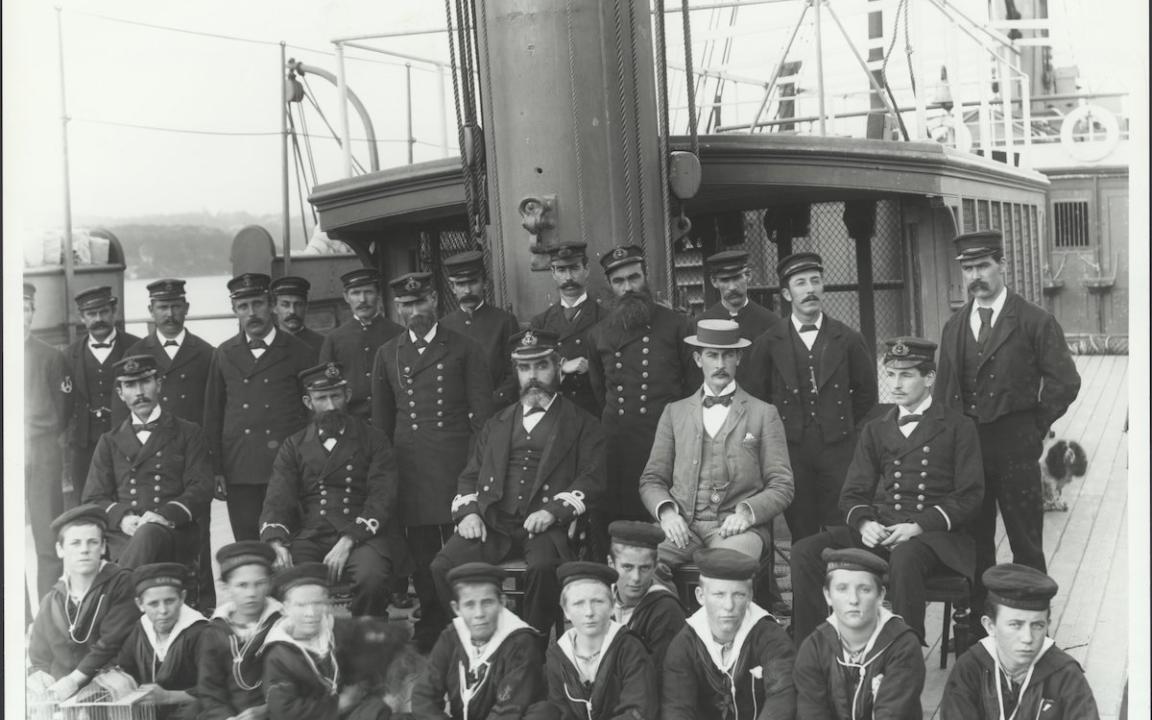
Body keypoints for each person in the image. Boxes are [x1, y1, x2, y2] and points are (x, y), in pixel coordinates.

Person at [789, 337, 984, 645]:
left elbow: (970, 495)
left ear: (929, 378)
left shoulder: (958, 427)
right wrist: (865, 525)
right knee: (804, 551)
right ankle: (811, 650)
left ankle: (903, 656)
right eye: (891, 374)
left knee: (905, 557)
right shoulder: (876, 429)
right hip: (883, 529)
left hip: (935, 537)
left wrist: (919, 526)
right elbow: (852, 493)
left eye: (906, 375)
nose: (896, 384)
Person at [933, 231, 1081, 624]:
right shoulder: (955, 327)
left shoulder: (1034, 320)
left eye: (983, 266)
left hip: (1016, 447)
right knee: (976, 542)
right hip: (969, 451)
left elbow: (1065, 382)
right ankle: (984, 628)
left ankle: (1034, 623)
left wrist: (1034, 425)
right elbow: (945, 392)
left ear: (1003, 266)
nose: (975, 276)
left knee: (1026, 542)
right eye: (967, 268)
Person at [431, 328, 605, 639]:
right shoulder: (496, 423)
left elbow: (592, 479)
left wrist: (553, 511)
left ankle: (530, 648)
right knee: (443, 566)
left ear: (559, 367)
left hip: (544, 526)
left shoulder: (583, 424)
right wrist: (469, 513)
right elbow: (470, 475)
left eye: (542, 366)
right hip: (493, 521)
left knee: (543, 569)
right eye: (525, 368)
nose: (533, 377)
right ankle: (480, 640)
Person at [371, 272, 494, 650]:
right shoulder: (388, 353)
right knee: (422, 550)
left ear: (436, 302)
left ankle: (466, 616)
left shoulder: (465, 347)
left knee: (459, 545)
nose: (414, 311)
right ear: (397, 309)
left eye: (420, 302)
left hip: (458, 462)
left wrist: (476, 471)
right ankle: (433, 617)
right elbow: (381, 422)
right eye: (406, 306)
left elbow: (484, 417)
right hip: (411, 466)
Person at [638, 319, 793, 573]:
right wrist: (667, 513)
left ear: (738, 358)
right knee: (641, 568)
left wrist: (746, 513)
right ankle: (671, 612)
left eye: (727, 356)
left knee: (727, 570)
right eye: (712, 356)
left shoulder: (764, 414)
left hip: (737, 529)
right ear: (698, 359)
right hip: (683, 526)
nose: (720, 365)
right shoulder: (674, 413)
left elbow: (783, 485)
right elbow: (652, 479)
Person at [743, 252, 878, 543]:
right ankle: (805, 588)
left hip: (839, 450)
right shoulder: (768, 342)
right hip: (791, 451)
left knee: (841, 528)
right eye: (801, 283)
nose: (810, 290)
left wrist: (846, 429)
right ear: (786, 293)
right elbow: (757, 397)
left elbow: (867, 393)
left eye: (815, 281)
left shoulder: (848, 338)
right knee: (801, 530)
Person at [259, 361, 401, 617]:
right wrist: (277, 542)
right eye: (321, 398)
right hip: (311, 534)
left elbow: (382, 496)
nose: (331, 405)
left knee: (372, 579)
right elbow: (279, 497)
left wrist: (349, 539)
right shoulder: (294, 445)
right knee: (287, 580)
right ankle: (309, 643)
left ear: (347, 395)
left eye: (336, 395)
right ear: (308, 402)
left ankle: (366, 640)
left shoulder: (373, 439)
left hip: (360, 533)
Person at [586, 245, 700, 559]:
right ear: (610, 286)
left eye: (634, 277)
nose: (628, 287)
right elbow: (600, 392)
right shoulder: (598, 334)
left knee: (665, 529)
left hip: (666, 443)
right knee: (618, 526)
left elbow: (693, 388)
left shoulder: (677, 326)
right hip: (618, 447)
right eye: (619, 281)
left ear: (645, 277)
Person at [125, 278, 218, 606]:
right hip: (149, 459)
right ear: (151, 311)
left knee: (198, 536)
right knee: (149, 540)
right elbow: (120, 421)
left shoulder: (206, 353)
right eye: (162, 307)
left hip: (190, 457)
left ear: (187, 309)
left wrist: (214, 466)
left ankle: (203, 603)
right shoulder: (135, 355)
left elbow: (214, 410)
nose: (170, 313)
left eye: (176, 306)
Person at [204, 273, 314, 541]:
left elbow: (313, 412)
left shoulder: (299, 351)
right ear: (234, 310)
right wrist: (216, 469)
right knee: (249, 547)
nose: (252, 313)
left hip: (288, 468)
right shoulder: (224, 353)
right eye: (243, 307)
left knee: (293, 545)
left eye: (258, 304)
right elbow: (213, 415)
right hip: (240, 470)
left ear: (271, 304)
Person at [82, 354, 213, 568]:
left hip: (173, 530)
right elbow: (93, 498)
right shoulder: (109, 441)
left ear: (159, 384)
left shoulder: (188, 432)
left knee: (149, 532)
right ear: (120, 393)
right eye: (130, 385)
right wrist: (123, 519)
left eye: (145, 382)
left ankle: (116, 592)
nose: (139, 392)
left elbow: (201, 487)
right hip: (125, 535)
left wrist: (164, 515)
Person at [940, 563, 1100, 719]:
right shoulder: (970, 669)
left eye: (1037, 625)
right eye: (1015, 625)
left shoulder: (1066, 675)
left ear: (1047, 625)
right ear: (990, 626)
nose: (1028, 638)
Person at [661, 548, 796, 720]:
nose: (728, 606)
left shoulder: (770, 637)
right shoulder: (685, 644)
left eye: (738, 595)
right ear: (701, 596)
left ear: (750, 597)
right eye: (719, 594)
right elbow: (677, 708)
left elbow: (782, 697)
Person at [794, 549, 925, 719]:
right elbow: (811, 712)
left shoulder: (903, 646)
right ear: (827, 595)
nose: (853, 599)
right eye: (842, 589)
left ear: (880, 596)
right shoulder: (815, 647)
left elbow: (893, 714)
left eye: (864, 589)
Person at [27, 506, 139, 701]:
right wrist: (40, 677)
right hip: (62, 692)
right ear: (60, 550)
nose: (84, 550)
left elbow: (110, 644)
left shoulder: (121, 583)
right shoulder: (53, 599)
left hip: (109, 686)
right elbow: (38, 657)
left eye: (92, 542)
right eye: (75, 543)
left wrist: (73, 682)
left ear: (103, 547)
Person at [411, 563, 547, 719]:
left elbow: (509, 710)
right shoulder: (451, 636)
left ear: (502, 602)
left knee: (544, 712)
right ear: (457, 609)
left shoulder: (520, 643)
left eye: (487, 602)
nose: (479, 614)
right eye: (469, 605)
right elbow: (424, 695)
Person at [537, 562, 658, 720]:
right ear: (566, 611)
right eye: (578, 603)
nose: (589, 612)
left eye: (598, 602)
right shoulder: (557, 656)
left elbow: (638, 710)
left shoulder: (629, 648)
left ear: (612, 605)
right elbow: (559, 711)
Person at [260, 563, 375, 720]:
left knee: (378, 709)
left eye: (318, 603)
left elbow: (365, 667)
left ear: (328, 604)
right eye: (301, 605)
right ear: (286, 608)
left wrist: (360, 683)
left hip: (349, 712)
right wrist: (339, 705)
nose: (311, 613)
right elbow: (284, 710)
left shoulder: (338, 631)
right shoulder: (278, 655)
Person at [63, 285, 142, 500]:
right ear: (82, 317)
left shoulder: (136, 347)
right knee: (86, 500)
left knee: (127, 498)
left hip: (128, 440)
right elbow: (65, 403)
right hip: (84, 444)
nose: (99, 319)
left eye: (104, 312)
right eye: (91, 314)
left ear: (114, 312)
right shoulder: (69, 355)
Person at [197, 541, 283, 720]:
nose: (251, 593)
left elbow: (299, 682)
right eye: (242, 585)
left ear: (270, 584)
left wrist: (267, 710)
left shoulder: (283, 624)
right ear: (225, 587)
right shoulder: (214, 632)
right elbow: (210, 690)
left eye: (259, 583)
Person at [114, 562, 211, 719]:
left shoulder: (200, 632)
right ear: (140, 604)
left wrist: (168, 697)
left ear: (182, 598)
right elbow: (126, 668)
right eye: (153, 604)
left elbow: (215, 688)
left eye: (169, 601)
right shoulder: (141, 629)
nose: (163, 611)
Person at [24, 282, 71, 598]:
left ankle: (46, 616)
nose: (19, 316)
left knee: (46, 537)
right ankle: (17, 619)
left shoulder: (51, 357)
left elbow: (64, 410)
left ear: (32, 313)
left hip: (42, 451)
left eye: (25, 309)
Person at [528, 242, 607, 417]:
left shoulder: (605, 318)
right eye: (562, 270)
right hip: (554, 413)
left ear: (586, 270)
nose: (569, 277)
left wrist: (591, 367)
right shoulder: (541, 323)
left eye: (574, 269)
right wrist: (561, 367)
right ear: (553, 273)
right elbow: (529, 373)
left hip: (593, 413)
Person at [318, 268, 404, 423]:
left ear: (378, 295)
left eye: (368, 292)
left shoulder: (398, 334)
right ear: (346, 297)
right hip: (352, 424)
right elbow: (328, 387)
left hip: (393, 421)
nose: (362, 299)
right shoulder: (334, 339)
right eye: (356, 293)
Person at [439, 250, 521, 408]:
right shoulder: (443, 326)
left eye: (473, 282)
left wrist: (493, 401)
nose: (467, 290)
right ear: (452, 287)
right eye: (461, 284)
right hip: (458, 416)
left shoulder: (504, 321)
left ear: (484, 283)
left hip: (497, 409)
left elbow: (515, 371)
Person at [605, 521, 686, 667]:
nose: (636, 578)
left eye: (644, 568)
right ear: (611, 564)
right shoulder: (602, 601)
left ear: (655, 566)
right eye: (627, 567)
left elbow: (663, 674)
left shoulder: (666, 610)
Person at [270, 275, 326, 360]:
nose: (292, 311)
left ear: (306, 307)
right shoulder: (267, 343)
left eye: (298, 305)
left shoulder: (322, 344)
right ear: (274, 307)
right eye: (285, 305)